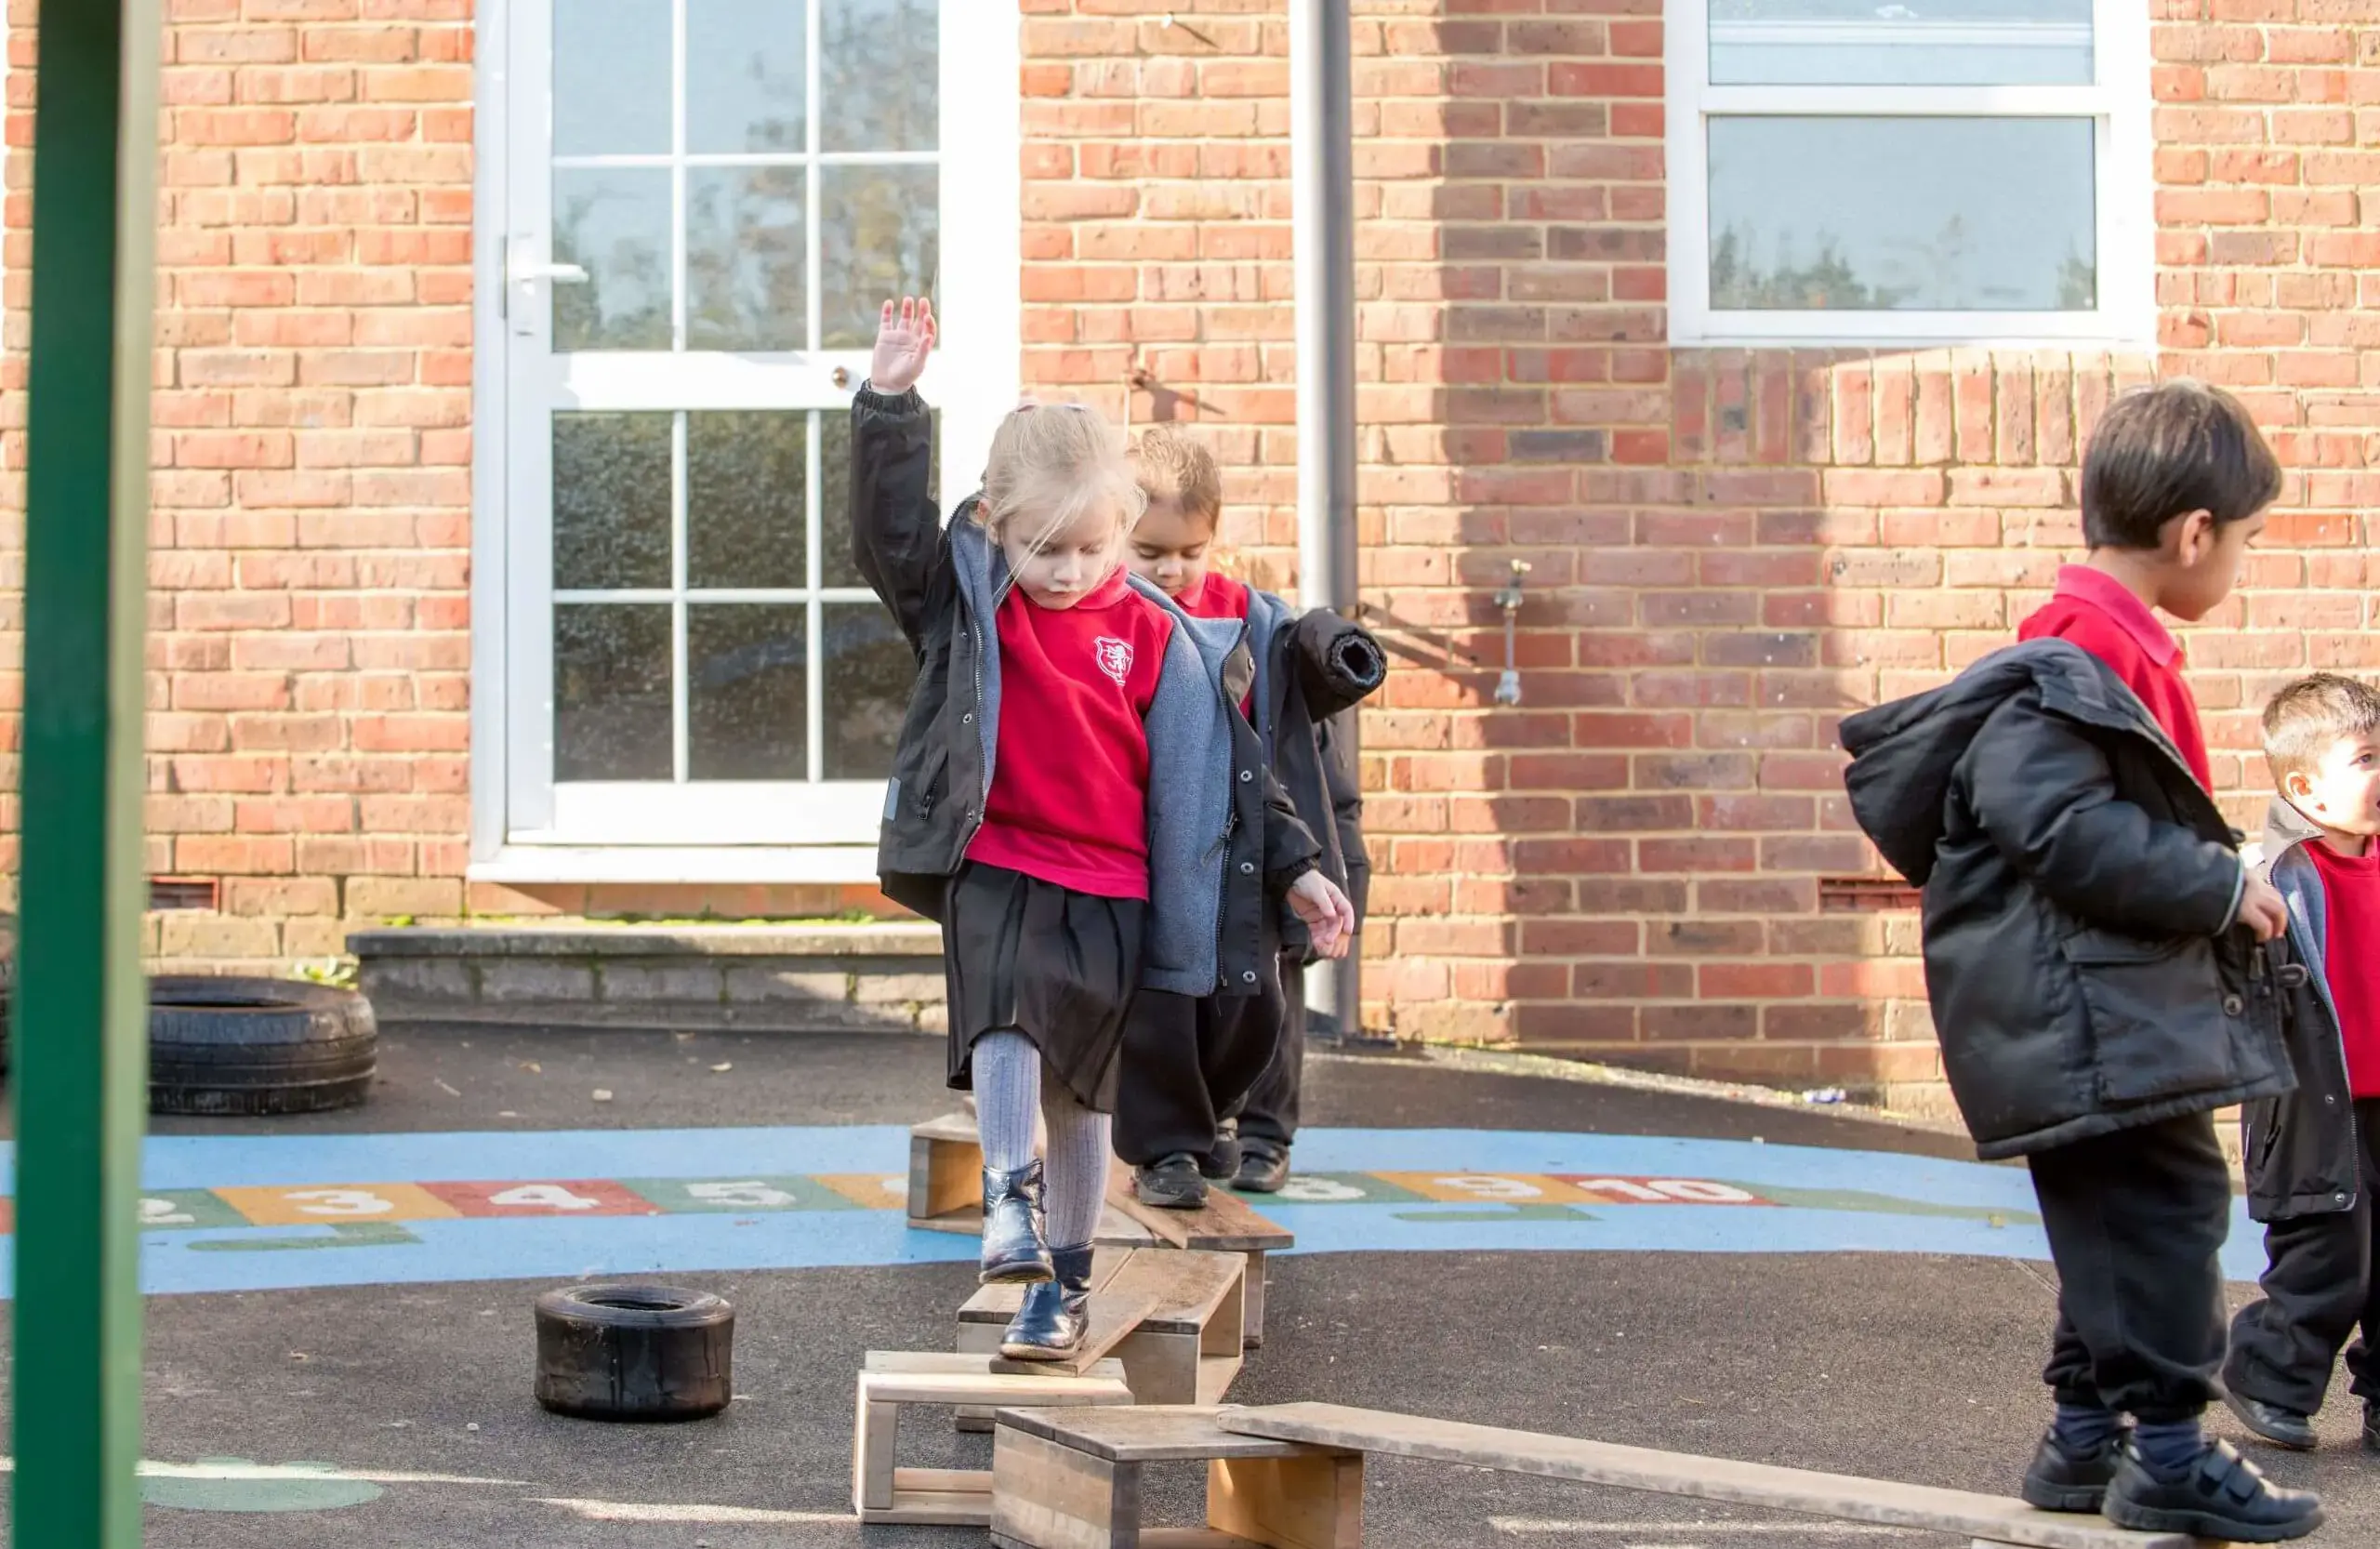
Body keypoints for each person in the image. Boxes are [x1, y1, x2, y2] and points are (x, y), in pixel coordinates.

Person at [1842, 379, 2322, 1542]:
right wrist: (2221, 883)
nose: (2242, 565)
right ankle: (2164, 1449)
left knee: (2119, 1219)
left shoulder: (2097, 642)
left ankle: (2080, 1436)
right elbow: (2052, 823)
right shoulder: (2075, 652)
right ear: (2192, 532)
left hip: (2098, 1007)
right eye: (2246, 543)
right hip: (2089, 1013)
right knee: (2167, 1209)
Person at [849, 297, 1354, 1359]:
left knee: (1083, 1095)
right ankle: (1005, 1200)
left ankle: (1059, 1289)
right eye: (1045, 549)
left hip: (1116, 886)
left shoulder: (1158, 632)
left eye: (1092, 547)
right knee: (1003, 1022)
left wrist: (1300, 869)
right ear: (994, 522)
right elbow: (891, 540)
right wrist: (890, 401)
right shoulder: (972, 605)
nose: (1071, 571)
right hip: (1000, 860)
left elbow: (1229, 771)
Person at [1111, 426, 1384, 1206]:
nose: (1173, 568)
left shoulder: (1250, 616)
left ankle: (1265, 1133)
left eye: (1191, 551)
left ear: (1213, 540)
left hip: (1261, 839)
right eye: (1152, 550)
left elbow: (1306, 662)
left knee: (1269, 994)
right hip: (1167, 842)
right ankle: (1184, 1140)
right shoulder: (1120, 616)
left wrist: (1333, 641)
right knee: (1169, 1000)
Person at [2224, 672, 2380, 1455]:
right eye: (2367, 759)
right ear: (2304, 786)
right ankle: (2266, 1375)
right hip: (2315, 1103)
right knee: (2329, 1257)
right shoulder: (2278, 874)